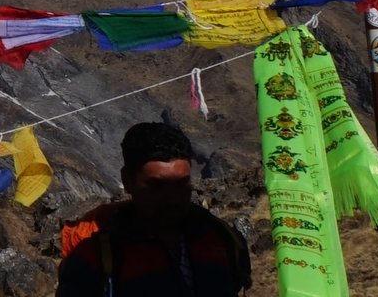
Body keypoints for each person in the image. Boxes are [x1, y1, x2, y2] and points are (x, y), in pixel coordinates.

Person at [56, 122, 250, 297]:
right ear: (128, 181)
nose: (173, 198)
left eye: (182, 183)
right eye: (157, 186)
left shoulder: (223, 240)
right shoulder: (94, 260)